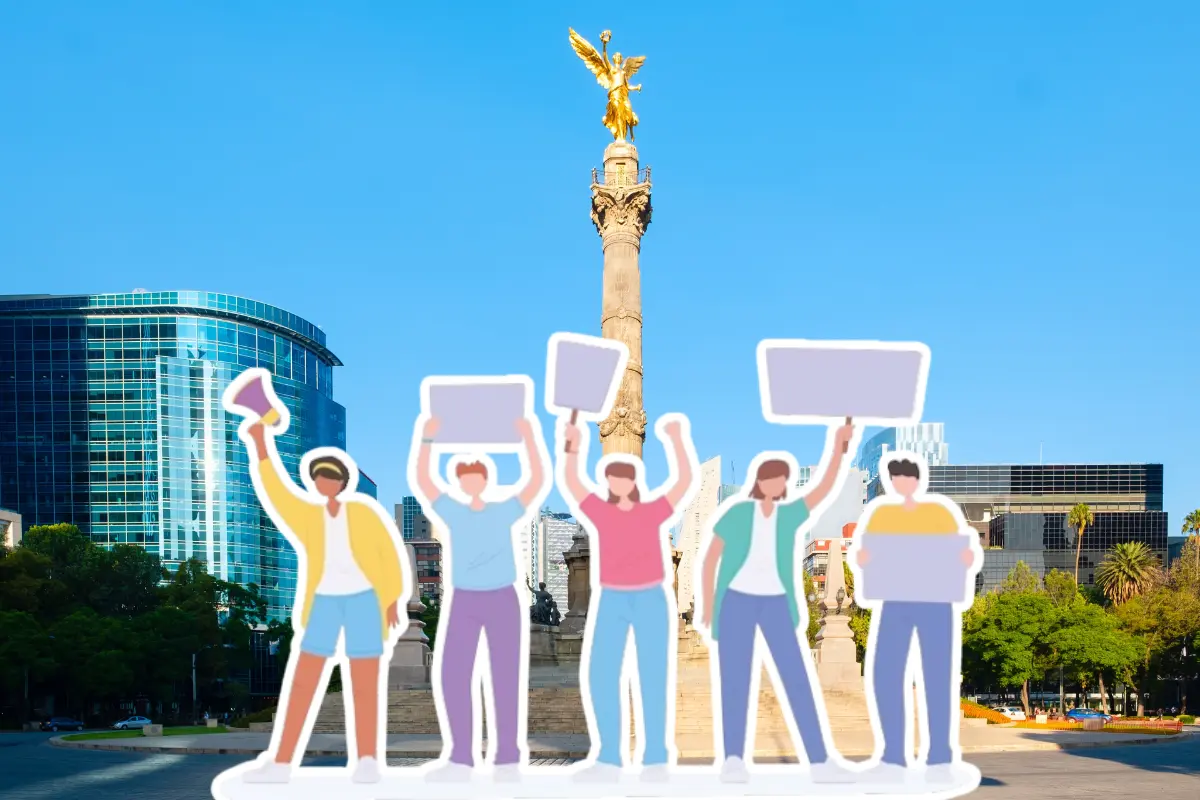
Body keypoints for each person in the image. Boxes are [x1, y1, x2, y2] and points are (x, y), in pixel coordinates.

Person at [241, 421, 405, 785]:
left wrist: (393, 599)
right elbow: (278, 493)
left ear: (342, 482)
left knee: (364, 683)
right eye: (319, 478)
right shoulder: (308, 515)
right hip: (324, 605)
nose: (324, 483)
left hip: (364, 602)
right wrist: (260, 444)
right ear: (314, 482)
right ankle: (281, 760)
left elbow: (387, 556)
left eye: (331, 477)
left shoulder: (364, 513)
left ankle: (366, 760)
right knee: (304, 680)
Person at [697, 423, 856, 784]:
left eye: (783, 479)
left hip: (776, 605)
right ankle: (734, 759)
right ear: (761, 480)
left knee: (797, 679)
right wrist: (708, 606)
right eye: (774, 477)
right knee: (736, 681)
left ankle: (819, 759)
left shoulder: (789, 515)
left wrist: (839, 448)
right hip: (736, 603)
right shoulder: (735, 514)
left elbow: (824, 488)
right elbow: (711, 560)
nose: (779, 484)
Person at [558, 413, 696, 783]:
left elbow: (682, 483)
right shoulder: (600, 513)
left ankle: (654, 757)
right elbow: (572, 482)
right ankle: (608, 756)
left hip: (651, 597)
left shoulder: (653, 511)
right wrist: (572, 443)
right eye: (612, 478)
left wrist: (678, 440)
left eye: (624, 478)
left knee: (652, 675)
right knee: (602, 674)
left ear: (633, 483)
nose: (617, 483)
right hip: (613, 598)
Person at [413, 415, 548, 781]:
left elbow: (534, 481)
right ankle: (460, 755)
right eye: (464, 479)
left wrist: (528, 438)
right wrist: (427, 440)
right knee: (453, 675)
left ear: (484, 481)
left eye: (475, 478)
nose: (470, 483)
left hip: (502, 598)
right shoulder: (453, 511)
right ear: (460, 482)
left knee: (504, 677)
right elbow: (425, 482)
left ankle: (507, 755)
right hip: (465, 600)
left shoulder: (504, 509)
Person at [853, 456, 981, 786]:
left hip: (935, 601)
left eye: (905, 478)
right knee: (885, 674)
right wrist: (864, 558)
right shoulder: (882, 515)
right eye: (896, 479)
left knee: (937, 676)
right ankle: (893, 754)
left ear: (916, 480)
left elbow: (960, 551)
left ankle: (938, 755)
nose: (901, 484)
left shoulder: (938, 513)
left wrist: (965, 557)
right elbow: (867, 553)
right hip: (895, 601)